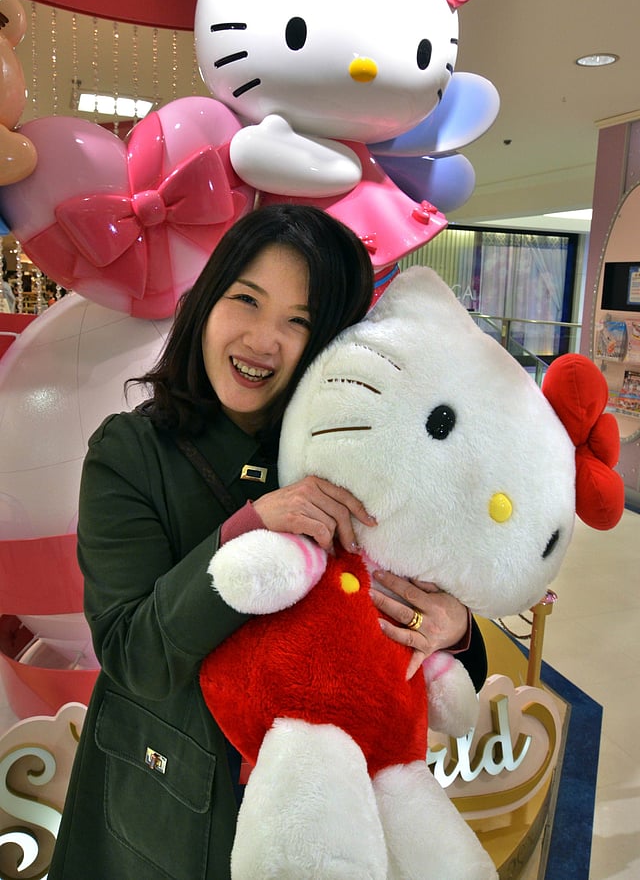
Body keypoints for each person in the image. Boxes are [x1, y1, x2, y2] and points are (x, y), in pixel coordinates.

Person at [49, 204, 487, 880]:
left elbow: (426, 626)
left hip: (324, 807)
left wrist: (454, 628)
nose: (262, 340)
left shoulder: (356, 460)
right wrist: (250, 529)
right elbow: (133, 653)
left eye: (299, 322)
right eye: (245, 301)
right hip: (170, 797)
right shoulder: (131, 453)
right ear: (208, 302)